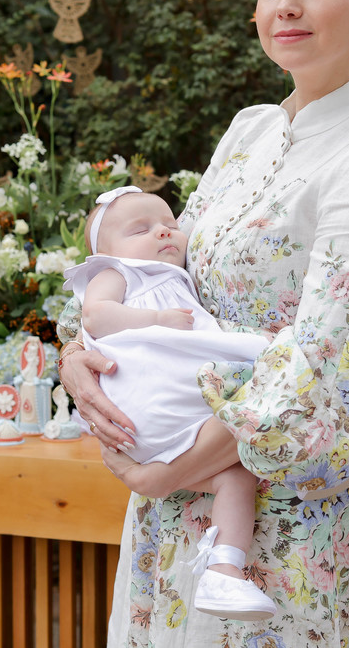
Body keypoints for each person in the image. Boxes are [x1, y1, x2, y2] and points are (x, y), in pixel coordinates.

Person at [58, 0, 349, 648]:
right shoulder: (250, 128)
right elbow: (165, 276)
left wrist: (171, 469)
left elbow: (322, 364)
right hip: (175, 517)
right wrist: (79, 349)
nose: (284, 6)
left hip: (279, 524)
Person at [65, 185, 275, 621]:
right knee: (267, 357)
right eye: (141, 228)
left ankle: (223, 569)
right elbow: (95, 317)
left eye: (170, 224)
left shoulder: (174, 281)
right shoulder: (119, 273)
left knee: (236, 478)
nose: (163, 232)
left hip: (175, 430)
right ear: (105, 252)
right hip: (145, 402)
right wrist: (156, 319)